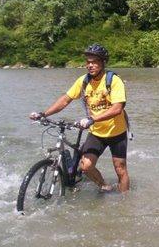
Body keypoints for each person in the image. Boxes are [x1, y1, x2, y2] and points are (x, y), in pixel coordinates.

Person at [29, 43, 130, 192]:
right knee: (86, 166)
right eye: (88, 62)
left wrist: (93, 119)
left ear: (103, 62)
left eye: (94, 62)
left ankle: (125, 203)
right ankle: (104, 186)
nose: (90, 65)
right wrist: (44, 114)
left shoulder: (114, 81)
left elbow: (117, 108)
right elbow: (65, 100)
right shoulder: (83, 81)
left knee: (120, 168)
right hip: (97, 133)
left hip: (117, 132)